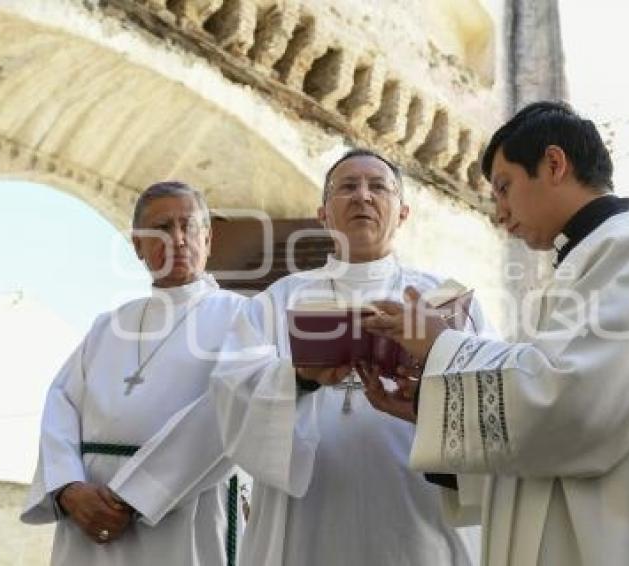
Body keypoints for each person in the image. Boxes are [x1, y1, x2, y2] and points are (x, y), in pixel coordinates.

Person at [359, 101, 629, 565]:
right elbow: (541, 426)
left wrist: (441, 345)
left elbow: (577, 405)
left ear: (554, 164)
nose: (500, 213)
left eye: (505, 188)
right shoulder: (583, 261)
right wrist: (432, 405)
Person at [210, 148, 495, 566]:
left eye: (378, 187)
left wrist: (428, 384)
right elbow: (230, 391)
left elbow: (491, 395)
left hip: (417, 512)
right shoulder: (277, 300)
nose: (363, 196)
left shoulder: (442, 301)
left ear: (402, 212)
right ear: (323, 214)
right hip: (307, 515)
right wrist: (300, 378)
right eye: (347, 187)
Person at [21, 181, 246, 566]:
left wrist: (137, 494)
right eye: (160, 228)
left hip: (185, 512)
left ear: (207, 240)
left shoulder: (243, 316)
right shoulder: (108, 326)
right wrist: (68, 489)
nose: (176, 238)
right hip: (87, 515)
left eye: (188, 226)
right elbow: (60, 404)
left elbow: (235, 409)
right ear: (138, 245)